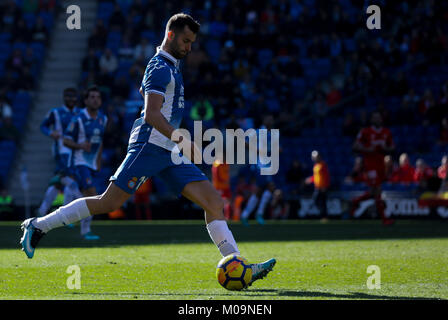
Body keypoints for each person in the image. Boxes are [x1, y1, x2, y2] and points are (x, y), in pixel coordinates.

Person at [20, 13, 275, 287]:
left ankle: (239, 266)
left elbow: (152, 102)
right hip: (149, 147)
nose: (189, 47)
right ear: (170, 35)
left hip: (167, 151)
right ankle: (38, 225)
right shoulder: (160, 67)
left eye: (192, 42)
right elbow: (152, 114)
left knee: (213, 202)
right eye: (186, 41)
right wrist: (182, 139)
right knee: (109, 202)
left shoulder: (171, 66)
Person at [63, 86, 107, 240]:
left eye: (98, 97)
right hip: (79, 162)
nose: (95, 100)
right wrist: (80, 146)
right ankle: (85, 230)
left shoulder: (103, 119)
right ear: (86, 100)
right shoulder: (78, 119)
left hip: (93, 164)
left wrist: (99, 161)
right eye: (92, 97)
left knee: (84, 196)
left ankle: (67, 215)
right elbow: (66, 140)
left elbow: (100, 142)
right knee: (93, 195)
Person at [37, 88, 82, 219]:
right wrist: (51, 133)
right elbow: (43, 126)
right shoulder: (55, 112)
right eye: (68, 96)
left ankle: (42, 210)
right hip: (62, 150)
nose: (71, 99)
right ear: (64, 98)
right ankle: (66, 216)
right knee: (70, 178)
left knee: (58, 183)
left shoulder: (80, 113)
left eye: (73, 97)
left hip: (77, 152)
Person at [351, 111, 395, 225]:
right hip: (370, 165)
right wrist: (367, 149)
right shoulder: (365, 132)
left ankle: (355, 201)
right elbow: (355, 145)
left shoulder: (386, 132)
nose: (377, 119)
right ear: (371, 120)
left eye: (379, 117)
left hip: (381, 165)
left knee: (373, 192)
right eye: (375, 117)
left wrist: (387, 148)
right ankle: (384, 219)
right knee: (378, 190)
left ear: (382, 119)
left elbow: (392, 147)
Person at [305, 151, 330, 222]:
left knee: (321, 202)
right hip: (317, 187)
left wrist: (325, 186)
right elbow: (316, 177)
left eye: (315, 157)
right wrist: (310, 179)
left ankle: (324, 216)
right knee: (319, 202)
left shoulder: (323, 165)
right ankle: (323, 216)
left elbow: (326, 176)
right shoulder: (316, 166)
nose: (314, 158)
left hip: (322, 187)